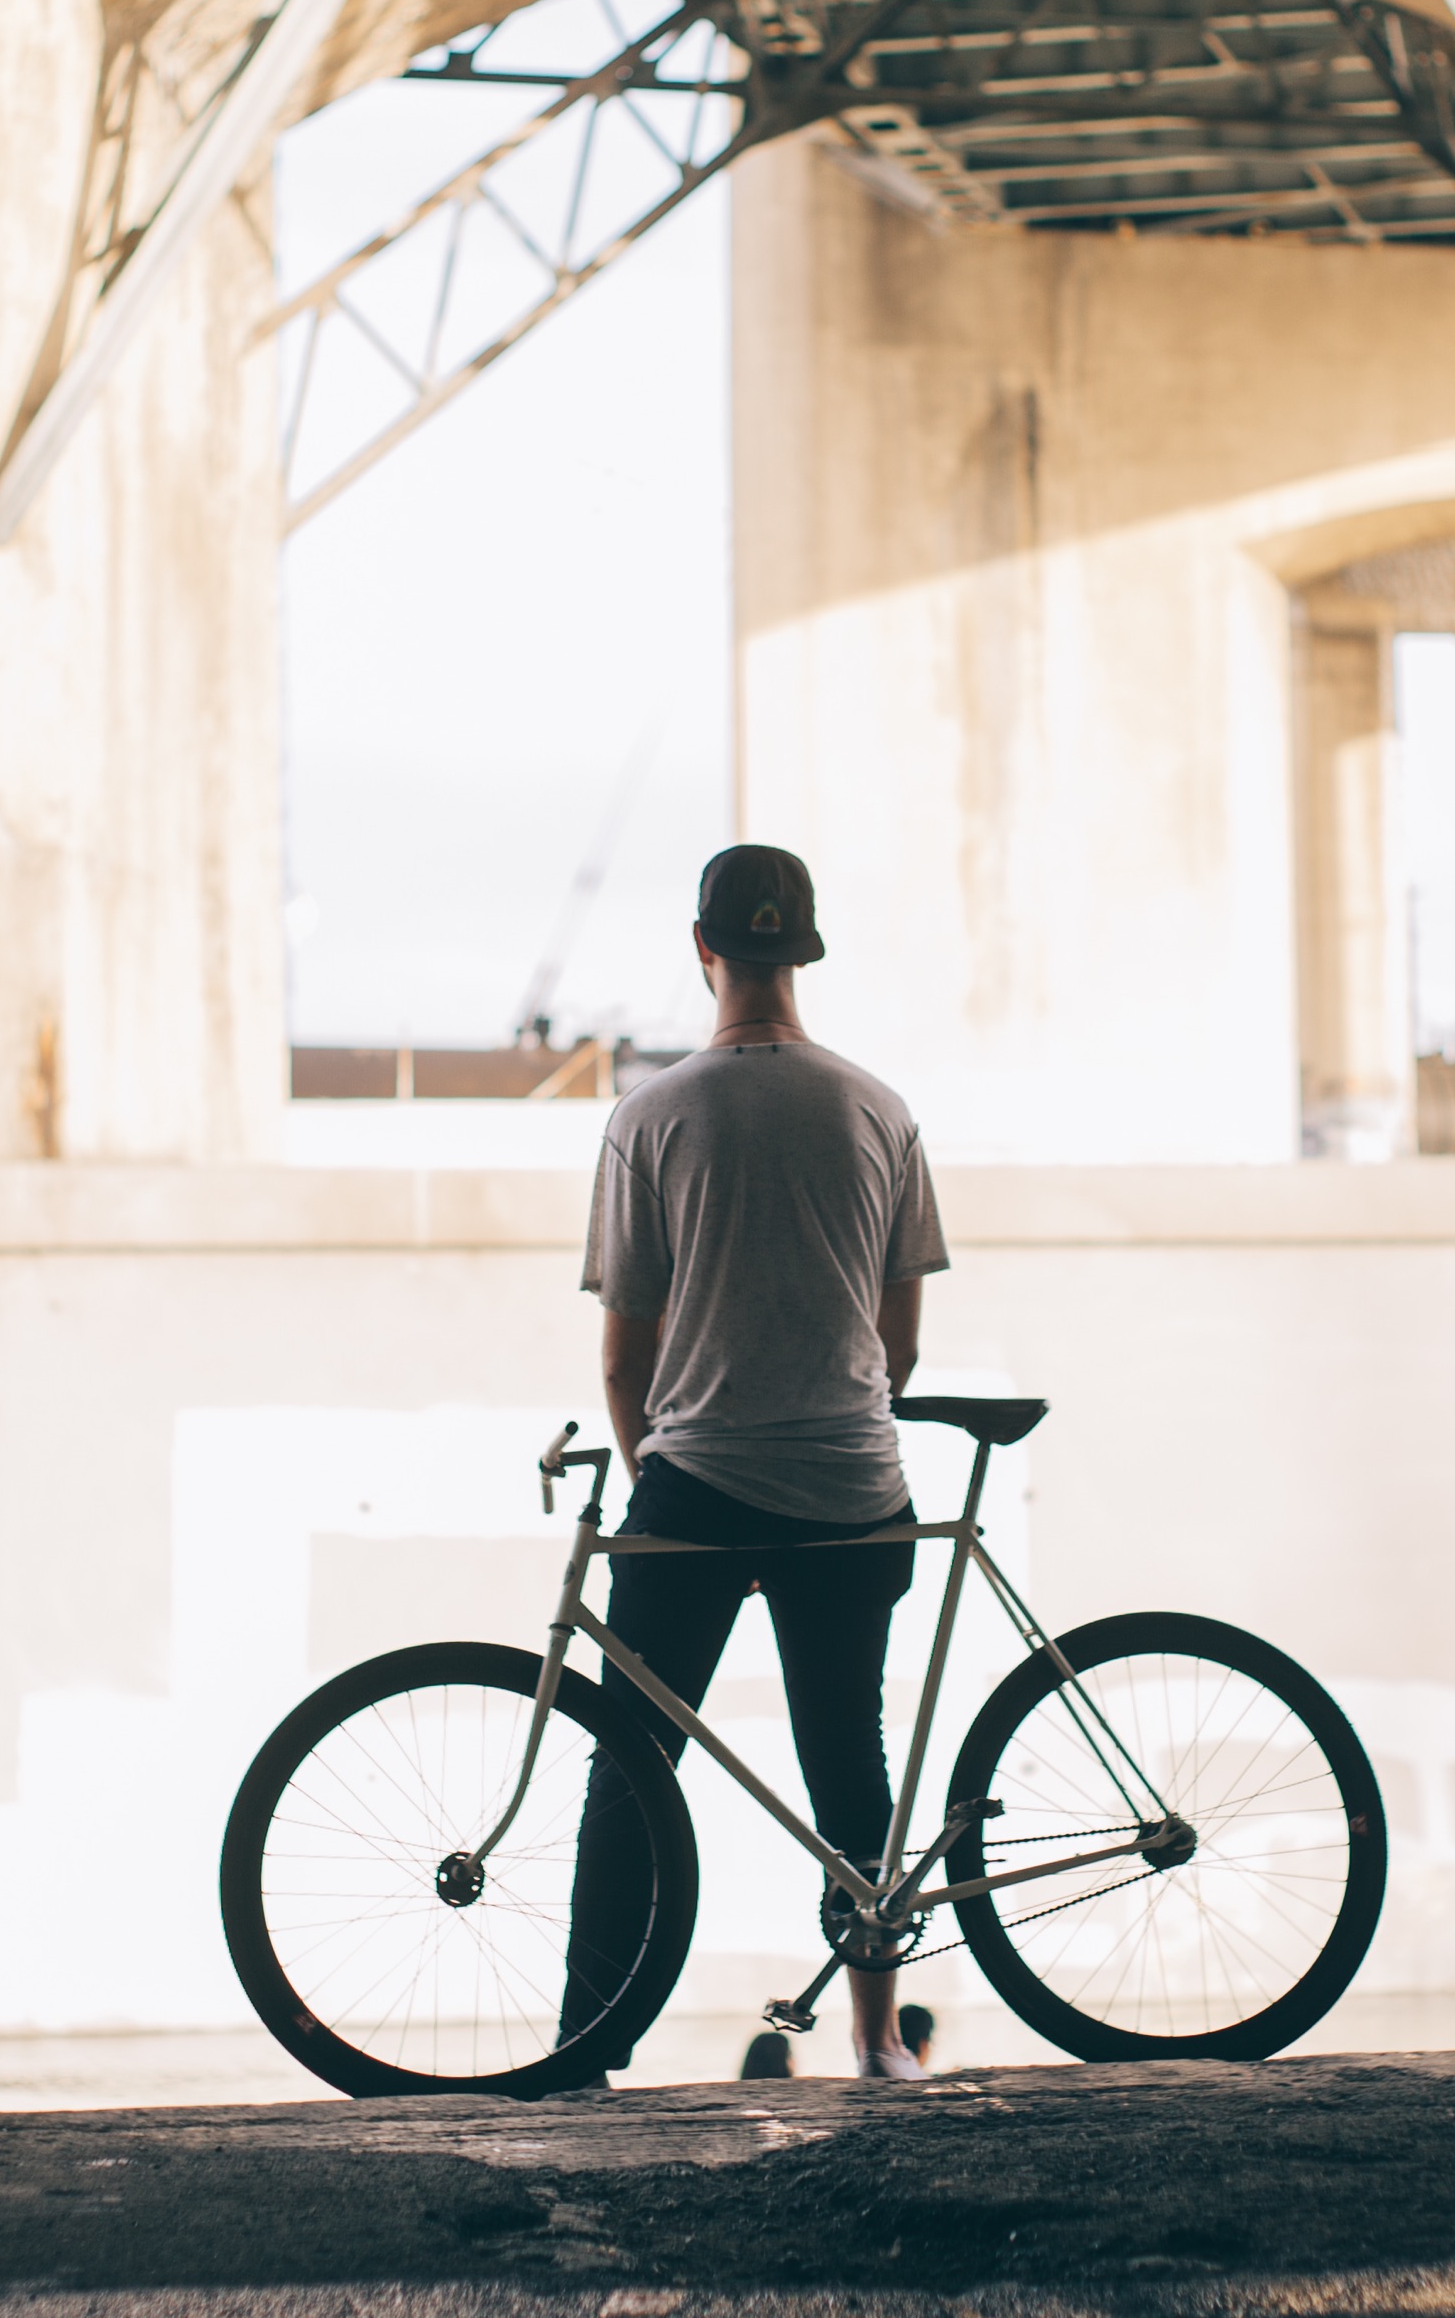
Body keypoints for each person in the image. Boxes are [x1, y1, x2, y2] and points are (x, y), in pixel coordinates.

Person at [555, 842, 949, 2088]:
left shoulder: (650, 1117)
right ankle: (876, 2041)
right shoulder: (879, 1110)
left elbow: (624, 1361)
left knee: (629, 1764)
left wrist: (663, 1473)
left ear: (703, 948)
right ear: (805, 952)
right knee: (850, 1759)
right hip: (853, 1481)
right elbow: (898, 1346)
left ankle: (585, 2048)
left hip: (698, 1484)